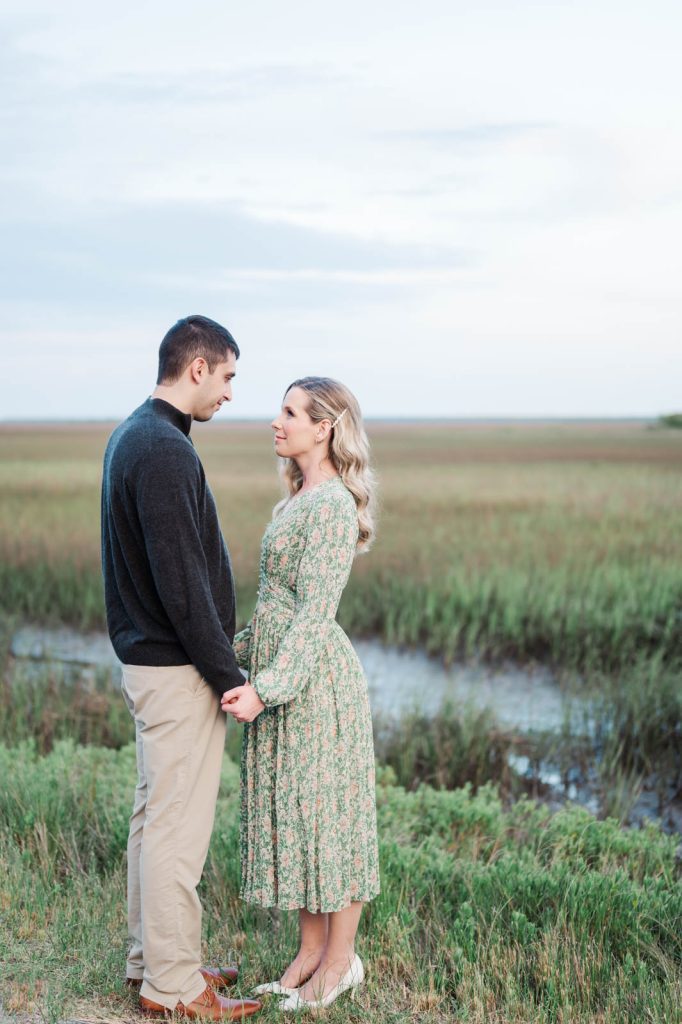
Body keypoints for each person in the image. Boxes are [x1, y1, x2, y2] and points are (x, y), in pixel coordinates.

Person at [101, 315, 261, 1021]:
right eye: (226, 376)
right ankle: (172, 989)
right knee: (176, 829)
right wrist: (229, 675)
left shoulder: (136, 433)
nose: (229, 393)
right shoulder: (163, 450)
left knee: (152, 819)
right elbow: (183, 586)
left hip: (151, 664)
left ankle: (154, 964)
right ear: (196, 368)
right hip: (175, 670)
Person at [221, 376, 380, 1012]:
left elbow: (313, 615)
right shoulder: (296, 499)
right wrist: (229, 657)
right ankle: (309, 956)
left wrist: (268, 689)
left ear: (325, 427)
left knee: (330, 820)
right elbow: (277, 608)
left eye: (289, 413)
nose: (275, 422)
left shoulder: (334, 505)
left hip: (314, 684)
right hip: (285, 674)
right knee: (304, 820)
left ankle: (340, 964)